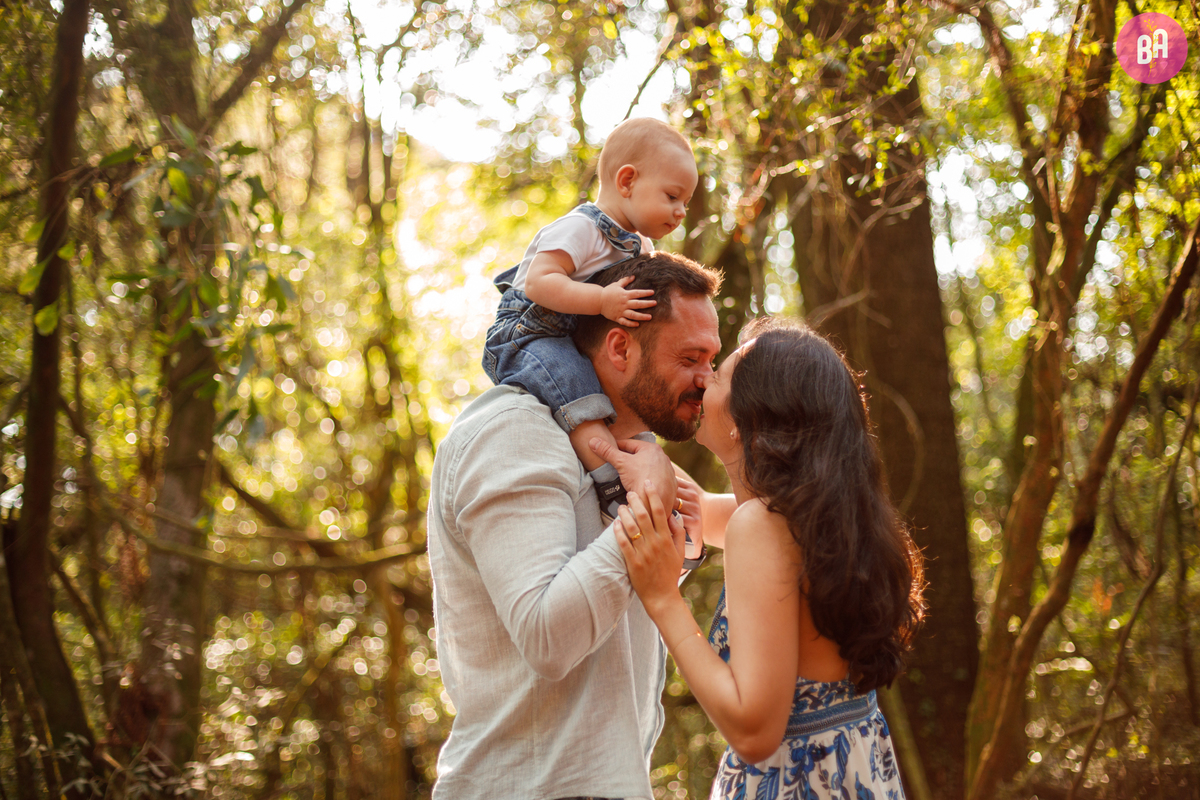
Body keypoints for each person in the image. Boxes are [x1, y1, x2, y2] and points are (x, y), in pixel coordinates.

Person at [428, 251, 722, 800]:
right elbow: (547, 636)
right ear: (619, 346)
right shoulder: (514, 433)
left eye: (713, 360)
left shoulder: (634, 454)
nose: (707, 380)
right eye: (691, 358)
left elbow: (617, 599)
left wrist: (680, 537)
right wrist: (649, 512)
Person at [603, 318, 926, 800]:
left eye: (719, 376)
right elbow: (701, 509)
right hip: (856, 774)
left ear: (743, 421)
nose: (703, 379)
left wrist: (663, 598)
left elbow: (755, 733)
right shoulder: (820, 518)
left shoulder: (760, 526)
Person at [483, 117, 699, 516]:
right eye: (672, 196)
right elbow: (538, 283)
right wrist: (601, 301)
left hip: (573, 338)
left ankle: (649, 483)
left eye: (685, 202)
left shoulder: (641, 246)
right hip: (528, 335)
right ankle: (611, 486)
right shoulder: (581, 228)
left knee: (630, 405)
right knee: (580, 397)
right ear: (627, 181)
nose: (681, 211)